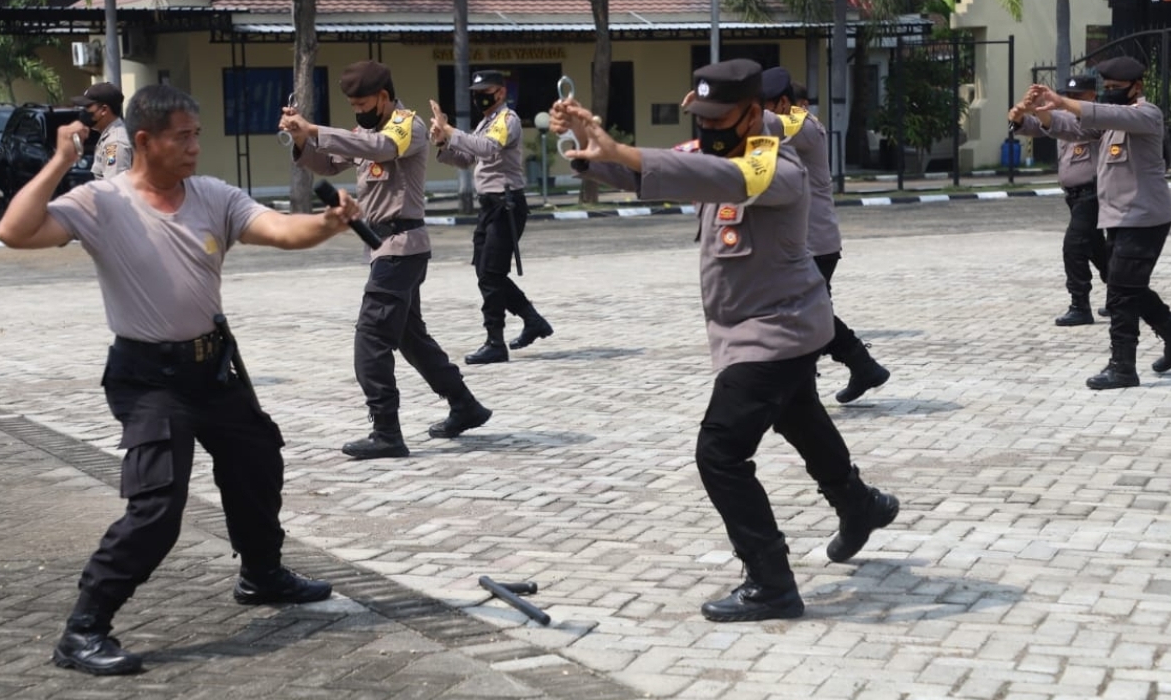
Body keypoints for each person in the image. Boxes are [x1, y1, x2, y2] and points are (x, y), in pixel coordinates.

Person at [0, 84, 360, 676]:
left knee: (258, 462)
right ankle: (83, 630)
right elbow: (14, 232)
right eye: (183, 136)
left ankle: (261, 575)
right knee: (158, 505)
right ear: (145, 141)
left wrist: (328, 223)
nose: (195, 146)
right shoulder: (101, 202)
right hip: (148, 379)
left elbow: (280, 230)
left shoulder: (213, 196)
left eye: (197, 134)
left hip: (213, 367)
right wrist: (61, 160)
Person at [549, 60, 898, 623]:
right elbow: (649, 176)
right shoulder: (717, 153)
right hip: (760, 332)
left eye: (719, 117)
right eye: (701, 116)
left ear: (753, 113)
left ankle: (771, 581)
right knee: (801, 417)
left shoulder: (777, 167)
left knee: (720, 453)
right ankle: (859, 505)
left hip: (776, 332)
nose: (708, 127)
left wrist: (623, 152)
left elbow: (725, 179)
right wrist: (584, 142)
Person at [281, 60, 492, 459]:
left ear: (382, 96)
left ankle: (387, 432)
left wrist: (316, 129)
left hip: (402, 247)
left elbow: (381, 149)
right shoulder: (365, 131)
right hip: (386, 249)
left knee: (371, 338)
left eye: (363, 103)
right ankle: (464, 404)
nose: (358, 112)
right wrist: (300, 139)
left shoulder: (405, 125)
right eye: (353, 106)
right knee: (410, 338)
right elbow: (327, 164)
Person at [1024, 57, 1171, 389]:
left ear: (1136, 87)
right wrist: (1043, 110)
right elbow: (1070, 127)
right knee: (1126, 286)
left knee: (1120, 291)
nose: (1111, 96)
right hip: (1119, 218)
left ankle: (1122, 367)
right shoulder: (1108, 123)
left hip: (1145, 218)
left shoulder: (1147, 115)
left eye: (1117, 89)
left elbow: (1108, 113)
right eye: (1108, 89)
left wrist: (1065, 101)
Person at [761, 66, 890, 404]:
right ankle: (861, 367)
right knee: (810, 314)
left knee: (803, 314)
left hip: (813, 242)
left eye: (764, 104)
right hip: (806, 241)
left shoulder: (800, 124)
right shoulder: (792, 123)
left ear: (785, 102)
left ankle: (816, 383)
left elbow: (764, 126)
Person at [428, 70, 553, 364]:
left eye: (485, 90)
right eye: (476, 90)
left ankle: (495, 341)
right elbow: (468, 159)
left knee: (491, 275)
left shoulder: (507, 120)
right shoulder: (486, 122)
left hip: (506, 205)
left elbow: (487, 148)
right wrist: (442, 144)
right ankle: (532, 320)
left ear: (500, 93)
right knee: (486, 272)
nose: (478, 96)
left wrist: (450, 131)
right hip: (490, 206)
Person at [1009, 75, 1108, 325]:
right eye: (1069, 95)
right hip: (1074, 198)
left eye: (1078, 96)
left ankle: (1080, 306)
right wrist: (1021, 113)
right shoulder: (1064, 118)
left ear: (1091, 97)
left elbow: (1061, 123)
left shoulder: (1098, 119)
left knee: (1073, 247)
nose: (1071, 100)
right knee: (1099, 251)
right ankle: (1125, 295)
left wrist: (1046, 110)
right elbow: (1035, 126)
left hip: (1092, 194)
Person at [71, 82, 132, 179]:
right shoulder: (109, 135)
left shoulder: (114, 143)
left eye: (88, 106)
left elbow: (115, 188)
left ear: (104, 110)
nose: (84, 111)